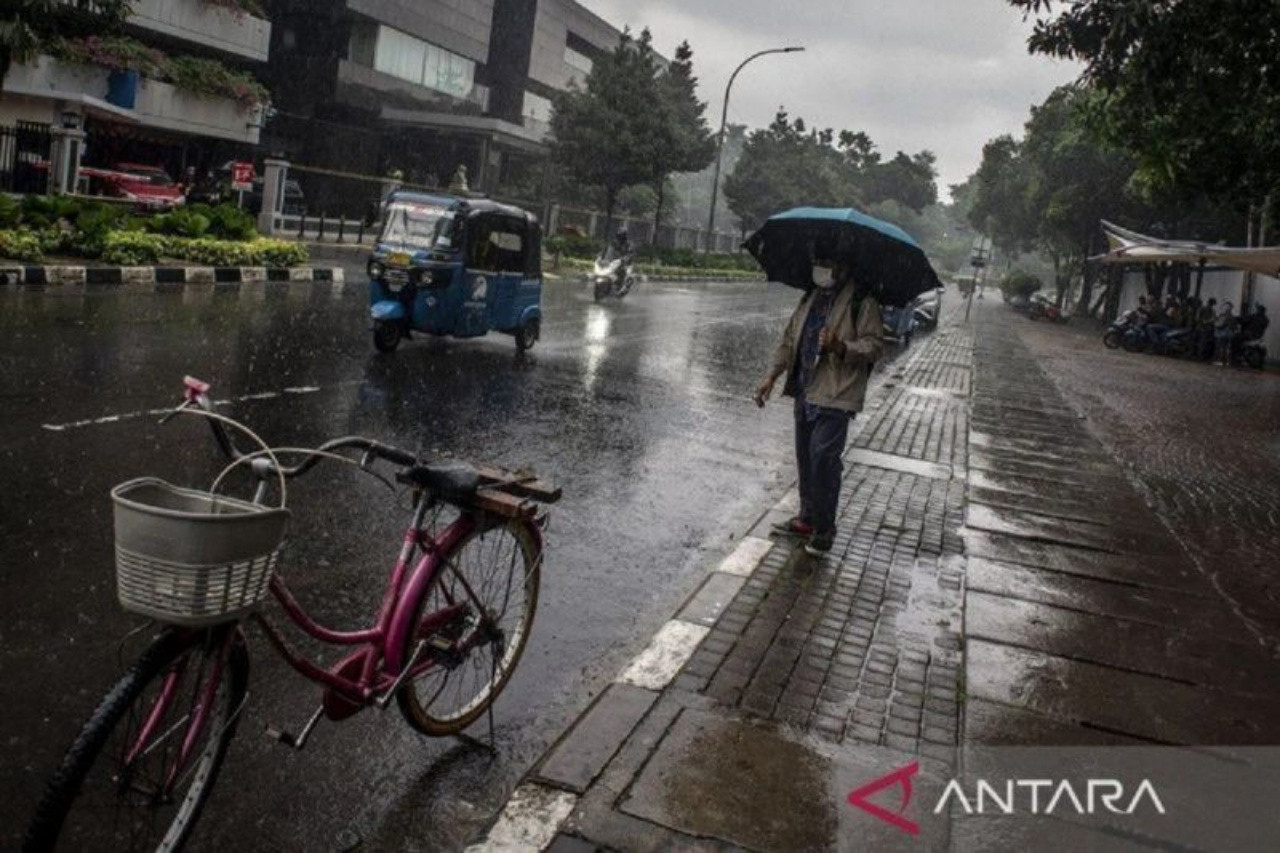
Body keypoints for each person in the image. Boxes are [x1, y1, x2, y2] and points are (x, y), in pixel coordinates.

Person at [754, 255, 884, 557]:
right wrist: (771, 375)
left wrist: (841, 347)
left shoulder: (862, 301)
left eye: (827, 262)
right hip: (805, 389)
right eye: (818, 261)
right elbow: (789, 340)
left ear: (843, 266)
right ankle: (807, 518)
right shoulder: (810, 297)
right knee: (806, 458)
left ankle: (825, 528)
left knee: (824, 458)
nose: (821, 268)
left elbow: (875, 345)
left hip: (837, 393)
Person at [1214, 300, 1235, 365]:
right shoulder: (1231, 316)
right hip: (1229, 334)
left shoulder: (1225, 316)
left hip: (1223, 334)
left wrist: (1216, 324)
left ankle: (1221, 361)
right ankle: (1226, 361)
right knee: (1226, 347)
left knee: (1221, 347)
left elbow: (1221, 324)